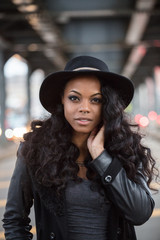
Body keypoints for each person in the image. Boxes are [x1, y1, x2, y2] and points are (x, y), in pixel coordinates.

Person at [3, 56, 157, 240]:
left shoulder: (126, 148)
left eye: (96, 100)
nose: (84, 108)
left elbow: (139, 214)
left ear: (108, 104)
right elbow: (14, 221)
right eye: (74, 98)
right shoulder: (35, 149)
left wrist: (101, 157)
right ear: (62, 100)